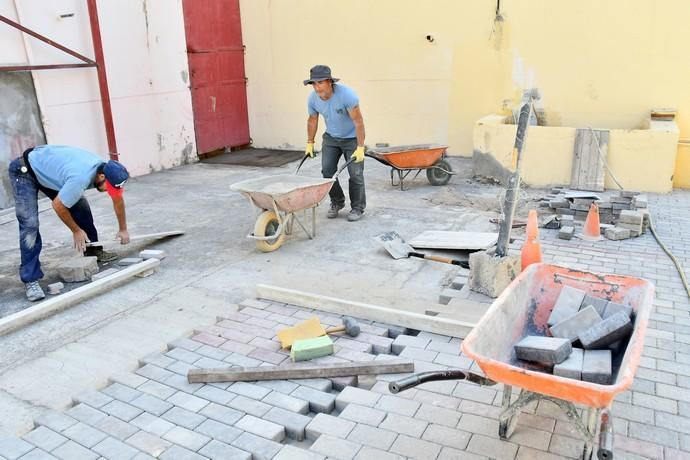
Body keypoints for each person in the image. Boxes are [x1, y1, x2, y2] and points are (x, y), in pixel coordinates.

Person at [8, 145, 131, 301]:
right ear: (101, 177)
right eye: (110, 188)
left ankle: (92, 251)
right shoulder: (80, 178)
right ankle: (30, 279)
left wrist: (123, 229)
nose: (110, 191)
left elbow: (118, 200)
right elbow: (58, 206)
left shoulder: (107, 170)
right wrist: (76, 230)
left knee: (82, 209)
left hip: (50, 171)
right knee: (29, 224)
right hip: (24, 170)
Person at [303, 65, 367, 221]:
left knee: (356, 174)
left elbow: (358, 121)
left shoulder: (347, 95)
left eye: (320, 83)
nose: (317, 87)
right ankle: (337, 202)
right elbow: (312, 119)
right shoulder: (312, 99)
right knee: (327, 172)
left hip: (352, 139)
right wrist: (310, 142)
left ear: (330, 82)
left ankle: (357, 208)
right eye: (314, 83)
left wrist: (360, 146)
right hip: (331, 138)